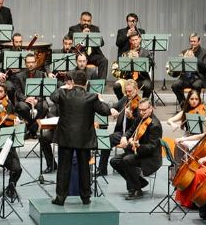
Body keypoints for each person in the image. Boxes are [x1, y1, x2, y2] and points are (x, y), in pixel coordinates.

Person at [50, 70, 111, 205]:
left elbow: (52, 96)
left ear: (72, 82)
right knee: (84, 168)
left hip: (66, 137)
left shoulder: (63, 93)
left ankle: (60, 198)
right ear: (86, 83)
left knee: (63, 169)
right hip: (84, 139)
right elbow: (106, 111)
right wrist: (101, 99)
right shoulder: (92, 97)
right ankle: (85, 197)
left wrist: (63, 87)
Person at [111, 99, 162, 199]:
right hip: (138, 152)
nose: (141, 112)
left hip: (150, 158)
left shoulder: (155, 125)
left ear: (150, 108)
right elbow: (131, 129)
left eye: (144, 110)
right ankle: (139, 182)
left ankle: (135, 190)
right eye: (140, 110)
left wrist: (138, 146)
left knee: (127, 160)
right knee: (114, 161)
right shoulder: (140, 117)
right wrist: (125, 137)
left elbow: (151, 147)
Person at [173, 108, 206, 208]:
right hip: (205, 160)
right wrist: (182, 139)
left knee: (196, 173)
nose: (205, 119)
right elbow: (199, 136)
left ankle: (194, 201)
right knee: (189, 170)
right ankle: (186, 199)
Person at [97, 79, 141, 176]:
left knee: (130, 148)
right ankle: (102, 169)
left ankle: (133, 169)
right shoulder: (125, 99)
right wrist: (112, 109)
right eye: (126, 91)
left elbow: (138, 124)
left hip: (133, 135)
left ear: (136, 90)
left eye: (130, 91)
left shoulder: (140, 103)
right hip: (121, 133)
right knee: (106, 141)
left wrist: (131, 117)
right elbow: (114, 106)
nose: (128, 94)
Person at [13, 53, 49, 138]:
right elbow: (18, 92)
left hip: (38, 100)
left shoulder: (42, 74)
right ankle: (33, 128)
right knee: (21, 106)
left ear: (36, 63)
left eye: (32, 62)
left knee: (45, 106)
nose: (30, 64)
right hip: (25, 101)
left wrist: (37, 99)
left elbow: (44, 91)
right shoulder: (18, 76)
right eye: (28, 62)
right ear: (25, 64)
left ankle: (30, 129)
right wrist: (26, 99)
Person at [170, 33, 206, 106]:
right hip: (186, 78)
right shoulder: (185, 52)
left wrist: (195, 59)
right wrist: (181, 60)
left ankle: (195, 106)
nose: (193, 43)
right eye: (191, 41)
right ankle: (184, 105)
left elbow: (205, 66)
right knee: (175, 85)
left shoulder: (205, 52)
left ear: (199, 41)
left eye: (194, 41)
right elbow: (177, 68)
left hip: (199, 78)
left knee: (196, 86)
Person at [67, 12, 109, 79]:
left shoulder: (95, 29)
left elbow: (102, 43)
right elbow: (69, 41)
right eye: (84, 20)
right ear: (80, 20)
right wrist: (82, 34)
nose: (86, 22)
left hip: (92, 55)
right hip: (79, 55)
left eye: (88, 21)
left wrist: (91, 35)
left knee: (104, 60)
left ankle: (101, 83)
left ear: (91, 21)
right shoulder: (73, 29)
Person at [112, 33, 153, 100]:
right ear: (130, 41)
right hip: (128, 79)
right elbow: (122, 70)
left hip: (141, 79)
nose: (135, 42)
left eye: (136, 40)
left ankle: (143, 103)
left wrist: (138, 59)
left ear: (139, 39)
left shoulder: (146, 53)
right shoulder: (125, 53)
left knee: (148, 86)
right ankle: (123, 102)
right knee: (116, 86)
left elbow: (148, 67)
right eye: (133, 40)